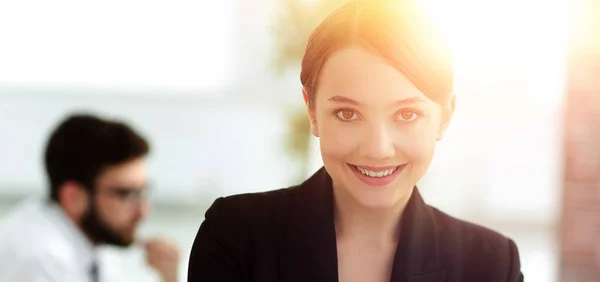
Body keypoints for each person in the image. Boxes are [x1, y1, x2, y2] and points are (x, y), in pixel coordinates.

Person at [188, 0, 524, 281]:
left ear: (445, 116)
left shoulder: (490, 266)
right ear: (313, 112)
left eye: (407, 115)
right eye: (348, 114)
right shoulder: (236, 239)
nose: (378, 148)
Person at [0, 113, 180, 282]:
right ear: (73, 197)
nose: (144, 211)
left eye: (142, 192)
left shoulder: (95, 236)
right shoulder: (38, 258)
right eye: (126, 195)